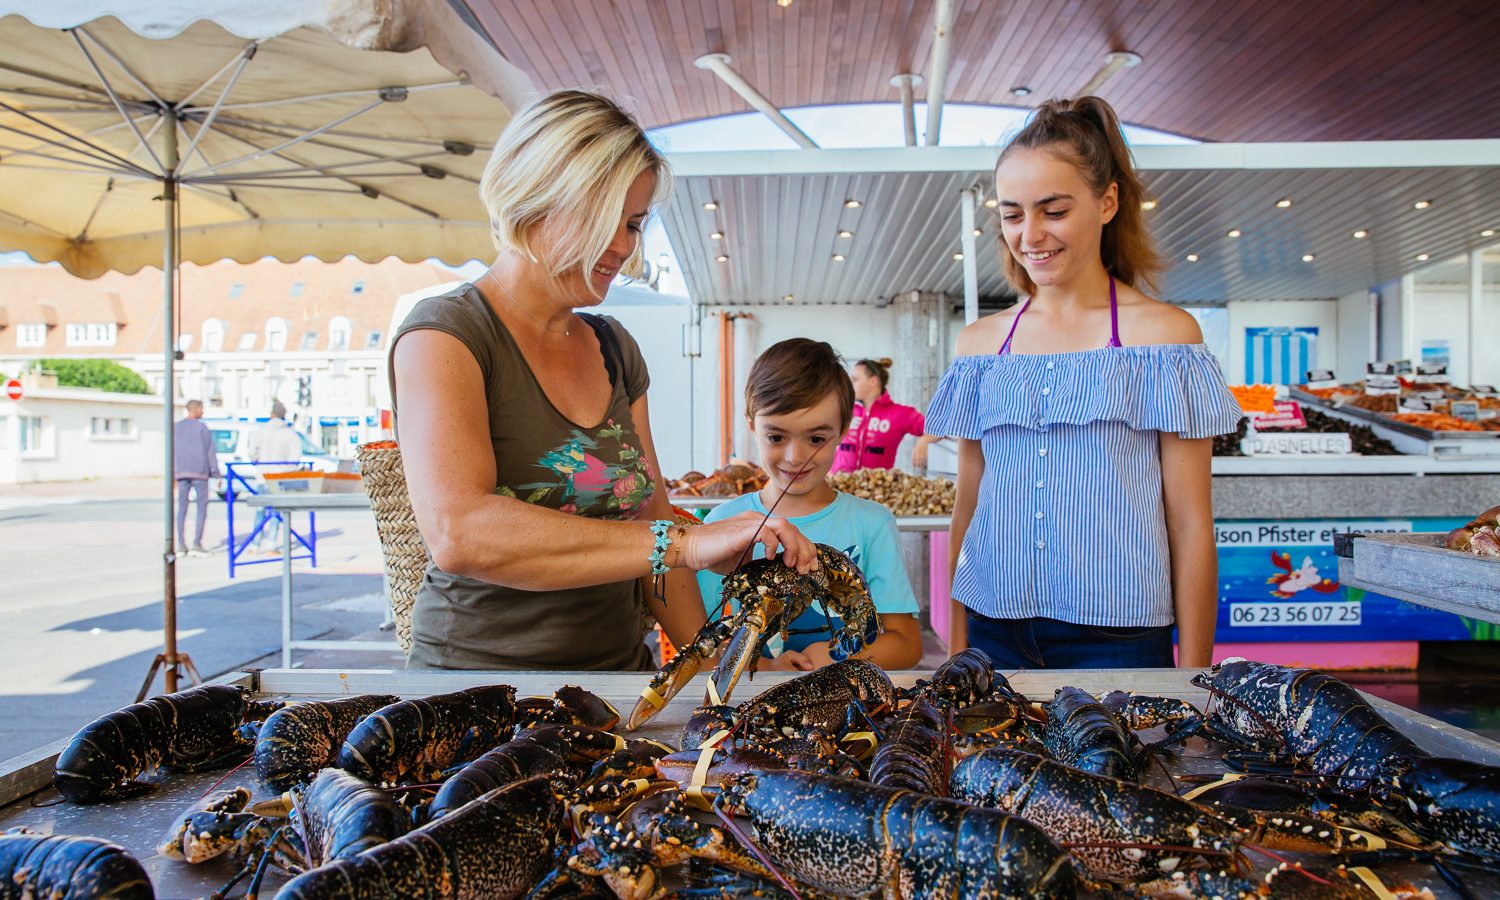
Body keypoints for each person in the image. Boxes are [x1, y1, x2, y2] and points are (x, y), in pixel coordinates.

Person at [389, 90, 816, 671]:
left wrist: (713, 671)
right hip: (477, 689)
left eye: (634, 223)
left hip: (616, 680)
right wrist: (683, 543)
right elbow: (460, 531)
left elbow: (652, 521)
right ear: (533, 198)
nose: (622, 246)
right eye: (600, 219)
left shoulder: (614, 348)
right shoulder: (445, 335)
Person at [927, 96, 1241, 670]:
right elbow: (966, 508)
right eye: (1013, 213)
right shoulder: (979, 346)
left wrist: (1195, 678)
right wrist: (956, 646)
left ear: (1107, 202)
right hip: (993, 631)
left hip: (1118, 639)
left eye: (1053, 209)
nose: (1031, 234)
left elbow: (1192, 523)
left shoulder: (1165, 338)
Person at [697, 339, 924, 671]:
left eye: (816, 438)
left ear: (843, 430)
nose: (796, 457)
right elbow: (701, 641)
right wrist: (766, 667)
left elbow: (906, 643)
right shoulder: (723, 523)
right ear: (751, 424)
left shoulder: (873, 524)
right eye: (776, 437)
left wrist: (840, 655)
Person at [832, 357, 940, 472]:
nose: (850, 384)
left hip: (875, 487)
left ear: (873, 381)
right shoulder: (845, 410)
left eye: (855, 379)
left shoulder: (900, 414)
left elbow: (940, 427)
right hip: (837, 485)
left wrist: (924, 440)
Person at [247, 400, 303, 551]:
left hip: (263, 476)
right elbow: (295, 458)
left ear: (271, 414)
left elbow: (252, 453)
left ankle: (255, 543)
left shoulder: (259, 431)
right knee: (277, 512)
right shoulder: (290, 434)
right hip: (280, 478)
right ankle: (271, 542)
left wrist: (259, 463)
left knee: (260, 510)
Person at [173, 399, 218, 556]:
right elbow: (210, 452)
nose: (203, 412)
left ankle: (181, 544)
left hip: (182, 472)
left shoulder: (176, 428)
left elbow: (171, 451)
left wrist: (174, 473)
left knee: (182, 509)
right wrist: (216, 473)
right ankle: (196, 543)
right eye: (202, 408)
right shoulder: (201, 428)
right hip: (200, 472)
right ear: (196, 409)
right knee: (201, 509)